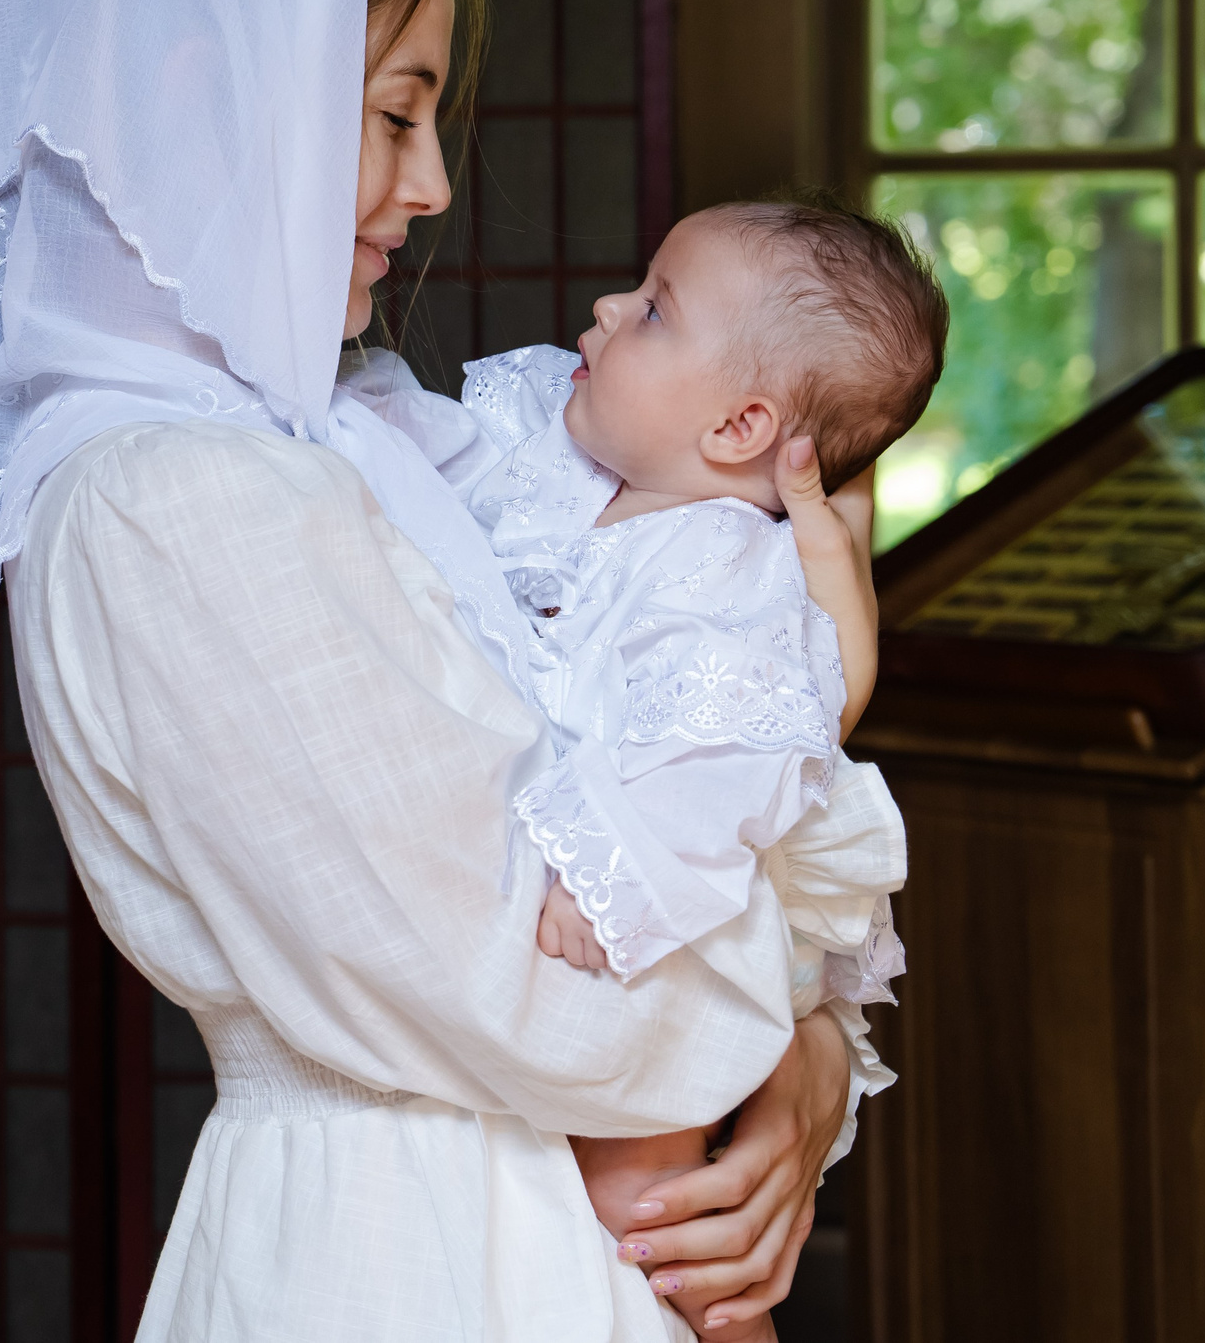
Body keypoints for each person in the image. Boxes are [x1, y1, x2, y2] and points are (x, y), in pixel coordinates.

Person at [0, 0, 894, 1339]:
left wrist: (809, 1030)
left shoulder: (342, 443)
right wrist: (789, 1030)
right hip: (414, 1249)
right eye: (396, 116)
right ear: (214, 100)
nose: (435, 180)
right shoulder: (174, 502)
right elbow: (500, 977)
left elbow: (637, 778)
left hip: (509, 1218)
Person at [347, 197, 946, 1338]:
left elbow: (722, 761)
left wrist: (603, 872)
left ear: (739, 426)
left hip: (665, 917)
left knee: (650, 1206)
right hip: (568, 917)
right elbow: (422, 448)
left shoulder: (733, 571)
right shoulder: (553, 454)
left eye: (656, 308)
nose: (609, 306)